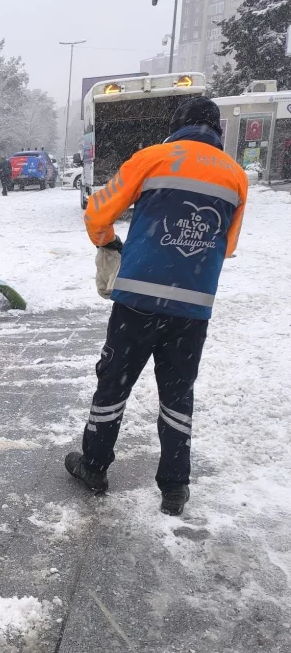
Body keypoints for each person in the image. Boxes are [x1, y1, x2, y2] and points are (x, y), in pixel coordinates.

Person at [64, 98, 248, 516]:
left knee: (114, 382)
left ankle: (93, 467)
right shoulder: (236, 175)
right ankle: (174, 487)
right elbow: (229, 244)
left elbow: (98, 211)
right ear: (217, 131)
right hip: (194, 308)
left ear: (177, 126)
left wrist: (107, 240)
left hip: (139, 301)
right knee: (178, 394)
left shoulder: (153, 158)